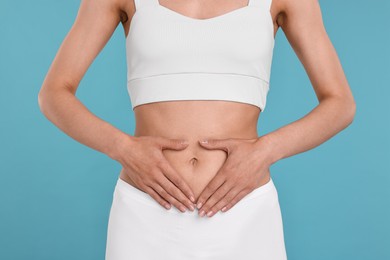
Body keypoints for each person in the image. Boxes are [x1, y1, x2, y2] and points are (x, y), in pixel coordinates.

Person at [38, 0, 356, 259]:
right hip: (145, 208)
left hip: (244, 209)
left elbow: (340, 103)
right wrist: (124, 149)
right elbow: (54, 93)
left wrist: (265, 151)